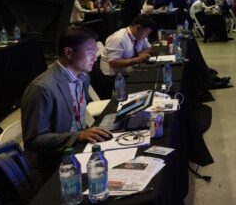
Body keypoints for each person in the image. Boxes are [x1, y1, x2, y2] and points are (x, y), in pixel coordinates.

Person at [21, 27, 112, 180]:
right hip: (56, 163)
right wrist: (78, 136)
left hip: (79, 148)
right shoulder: (42, 88)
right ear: (69, 52)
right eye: (90, 52)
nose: (95, 58)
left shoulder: (83, 77)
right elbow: (33, 140)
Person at [100, 14, 155, 79]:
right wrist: (136, 60)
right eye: (146, 33)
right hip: (113, 76)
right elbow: (113, 63)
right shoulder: (118, 39)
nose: (146, 36)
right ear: (138, 28)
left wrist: (142, 54)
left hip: (129, 69)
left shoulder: (139, 35)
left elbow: (148, 47)